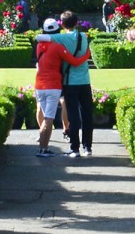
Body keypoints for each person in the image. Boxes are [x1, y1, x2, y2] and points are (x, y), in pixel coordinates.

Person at [33, 18, 89, 156]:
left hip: (39, 85)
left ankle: (43, 147)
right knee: (49, 119)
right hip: (53, 85)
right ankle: (43, 148)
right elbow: (75, 62)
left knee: (44, 114)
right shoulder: (58, 47)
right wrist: (87, 54)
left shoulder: (39, 46)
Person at [45, 17, 97, 158]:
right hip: (85, 81)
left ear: (62, 24)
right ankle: (88, 147)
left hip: (70, 82)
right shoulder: (83, 36)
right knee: (87, 115)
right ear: (76, 23)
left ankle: (75, 148)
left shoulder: (61, 38)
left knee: (73, 116)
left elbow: (42, 37)